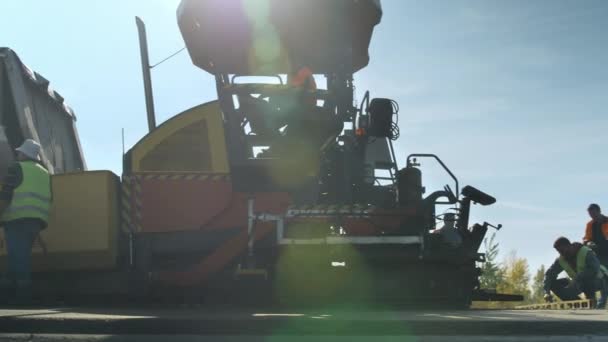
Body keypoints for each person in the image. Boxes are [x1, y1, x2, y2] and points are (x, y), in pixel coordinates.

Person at [0, 139, 51, 303]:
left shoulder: (16, 168)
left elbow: (6, 196)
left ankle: (23, 296)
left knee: (18, 258)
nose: (17, 154)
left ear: (24, 154)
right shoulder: (45, 173)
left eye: (19, 152)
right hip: (36, 222)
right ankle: (7, 294)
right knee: (18, 257)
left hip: (17, 219)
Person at [543, 237, 608, 309]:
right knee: (553, 284)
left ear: (569, 245)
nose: (562, 253)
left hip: (599, 280)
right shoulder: (561, 259)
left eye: (562, 250)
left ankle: (591, 303)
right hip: (579, 283)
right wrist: (546, 292)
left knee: (587, 281)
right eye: (559, 251)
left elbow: (594, 269)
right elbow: (549, 275)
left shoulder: (585, 252)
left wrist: (577, 278)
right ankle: (583, 306)